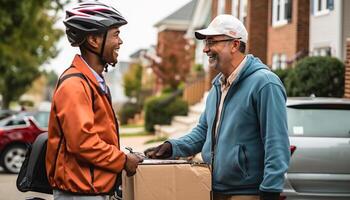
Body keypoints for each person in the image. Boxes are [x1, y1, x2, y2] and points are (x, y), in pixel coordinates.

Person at [145, 14, 290, 200]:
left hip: (247, 191)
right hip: (213, 187)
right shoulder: (218, 87)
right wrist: (172, 147)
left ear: (235, 45)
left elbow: (276, 141)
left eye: (212, 42)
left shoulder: (264, 83)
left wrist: (270, 189)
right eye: (206, 43)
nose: (205, 49)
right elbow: (202, 133)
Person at [46, 2, 142, 199]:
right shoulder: (75, 85)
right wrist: (123, 160)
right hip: (81, 193)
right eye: (115, 34)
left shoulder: (92, 82)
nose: (120, 41)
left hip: (93, 190)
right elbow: (82, 142)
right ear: (93, 40)